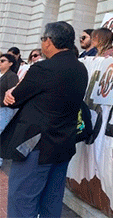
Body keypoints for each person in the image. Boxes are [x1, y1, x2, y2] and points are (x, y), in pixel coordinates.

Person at [0, 21, 88, 217]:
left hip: (36, 144)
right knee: (52, 201)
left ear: (49, 41)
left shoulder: (44, 68)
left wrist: (11, 92)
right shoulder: (80, 69)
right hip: (63, 144)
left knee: (22, 200)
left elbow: (15, 99)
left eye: (42, 40)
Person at [0, 53, 18, 167]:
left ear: (10, 63)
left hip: (5, 109)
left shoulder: (11, 76)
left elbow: (13, 94)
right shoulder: (2, 75)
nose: (0, 63)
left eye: (3, 61)